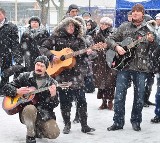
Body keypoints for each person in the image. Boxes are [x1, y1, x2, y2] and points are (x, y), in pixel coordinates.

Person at [107, 3, 158, 131]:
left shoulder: (149, 29)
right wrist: (117, 47)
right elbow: (110, 39)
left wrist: (152, 41)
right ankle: (118, 122)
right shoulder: (124, 26)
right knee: (119, 96)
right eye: (133, 11)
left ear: (143, 13)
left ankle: (136, 121)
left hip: (141, 68)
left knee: (139, 97)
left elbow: (157, 46)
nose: (135, 13)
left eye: (138, 11)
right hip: (124, 66)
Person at [39, 17, 95, 134]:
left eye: (73, 26)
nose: (71, 28)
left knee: (81, 100)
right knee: (65, 100)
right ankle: (67, 124)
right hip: (62, 74)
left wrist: (87, 53)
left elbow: (83, 55)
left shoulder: (79, 40)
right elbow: (43, 47)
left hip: (77, 73)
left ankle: (84, 125)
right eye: (69, 25)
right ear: (63, 26)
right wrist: (51, 56)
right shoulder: (56, 38)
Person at [2, 55, 60, 143]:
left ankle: (37, 130)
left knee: (54, 133)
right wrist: (16, 91)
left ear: (46, 68)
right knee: (30, 108)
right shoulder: (24, 76)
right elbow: (5, 87)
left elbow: (54, 104)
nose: (39, 67)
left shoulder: (52, 82)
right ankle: (30, 135)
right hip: (27, 113)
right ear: (34, 65)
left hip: (44, 114)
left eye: (42, 66)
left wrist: (53, 96)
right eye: (37, 64)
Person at [92, 17, 117, 110]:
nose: (102, 25)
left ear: (109, 25)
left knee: (111, 82)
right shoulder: (97, 34)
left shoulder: (113, 34)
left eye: (105, 24)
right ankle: (103, 101)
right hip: (100, 60)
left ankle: (110, 101)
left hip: (111, 60)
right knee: (101, 82)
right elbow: (93, 45)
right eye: (102, 24)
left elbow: (116, 45)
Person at [0, 8, 20, 95]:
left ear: (4, 15)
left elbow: (15, 43)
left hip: (6, 54)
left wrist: (17, 56)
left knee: (5, 73)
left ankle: (3, 90)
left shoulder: (11, 26)